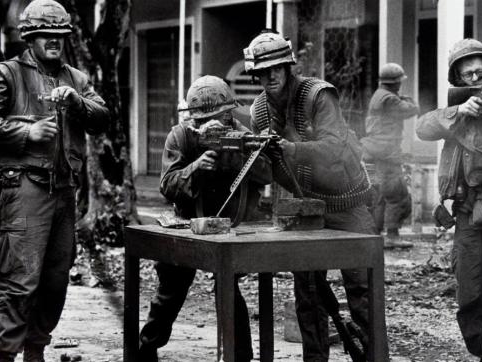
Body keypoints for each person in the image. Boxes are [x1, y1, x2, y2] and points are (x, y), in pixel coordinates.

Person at [244, 30, 389, 362]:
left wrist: (291, 149)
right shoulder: (259, 112)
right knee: (308, 294)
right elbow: (269, 173)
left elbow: (335, 148)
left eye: (276, 69)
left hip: (347, 203)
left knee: (362, 289)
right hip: (305, 206)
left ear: (288, 67)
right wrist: (255, 156)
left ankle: (374, 357)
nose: (269, 77)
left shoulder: (318, 95)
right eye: (262, 72)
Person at [0, 0, 110, 361]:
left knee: (56, 280)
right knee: (20, 279)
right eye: (45, 35)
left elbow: (102, 118)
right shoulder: (7, 74)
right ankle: (5, 354)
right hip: (23, 188)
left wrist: (77, 103)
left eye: (59, 35)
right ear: (30, 37)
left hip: (64, 193)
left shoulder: (77, 79)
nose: (54, 41)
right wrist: (27, 131)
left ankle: (35, 350)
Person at [138, 75, 271, 362]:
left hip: (231, 225)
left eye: (219, 118)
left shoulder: (242, 134)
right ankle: (147, 347)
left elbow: (266, 173)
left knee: (229, 290)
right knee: (170, 291)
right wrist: (196, 167)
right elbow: (167, 185)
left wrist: (235, 153)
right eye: (203, 120)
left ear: (228, 115)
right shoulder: (182, 135)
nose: (211, 125)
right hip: (188, 224)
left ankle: (240, 357)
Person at [417, 38, 482, 362]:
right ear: (459, 81)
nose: (477, 80)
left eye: (481, 72)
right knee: (470, 294)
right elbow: (422, 128)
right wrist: (458, 110)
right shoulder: (458, 111)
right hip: (466, 214)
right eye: (468, 75)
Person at [361, 63, 419, 248]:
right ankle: (392, 236)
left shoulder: (380, 95)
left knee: (381, 196)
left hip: (375, 152)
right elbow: (413, 109)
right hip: (386, 153)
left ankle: (376, 235)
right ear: (395, 82)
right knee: (397, 195)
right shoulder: (389, 99)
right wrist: (405, 97)